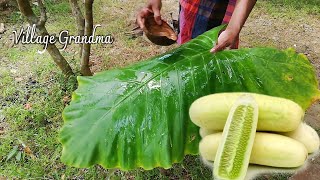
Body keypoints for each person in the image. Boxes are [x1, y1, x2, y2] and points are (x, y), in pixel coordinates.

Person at [137, 0, 256, 53]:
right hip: (190, 8)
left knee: (214, 63)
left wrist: (233, 28)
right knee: (187, 52)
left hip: (221, 12)